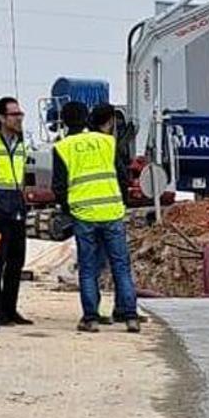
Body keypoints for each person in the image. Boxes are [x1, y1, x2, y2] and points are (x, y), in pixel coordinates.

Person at [53, 100, 140, 333]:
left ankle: (90, 318)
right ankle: (131, 317)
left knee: (89, 267)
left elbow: (59, 187)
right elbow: (123, 177)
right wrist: (120, 202)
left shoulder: (62, 147)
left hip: (84, 214)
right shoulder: (107, 142)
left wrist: (70, 209)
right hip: (111, 212)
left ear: (64, 120)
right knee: (121, 266)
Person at [0, 96, 31, 325]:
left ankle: (10, 310)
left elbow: (19, 178)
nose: (19, 118)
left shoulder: (20, 143)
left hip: (15, 208)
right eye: (15, 114)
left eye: (20, 114)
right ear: (1, 117)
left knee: (16, 261)